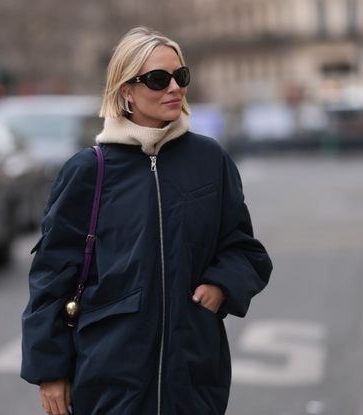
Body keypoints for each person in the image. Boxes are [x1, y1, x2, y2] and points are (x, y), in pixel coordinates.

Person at [21, 26, 272, 415]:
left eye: (180, 76)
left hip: (193, 373)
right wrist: (49, 371)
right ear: (126, 91)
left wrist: (221, 285)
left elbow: (244, 249)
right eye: (158, 79)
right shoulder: (89, 170)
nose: (174, 87)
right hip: (109, 375)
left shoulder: (210, 161)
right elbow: (52, 274)